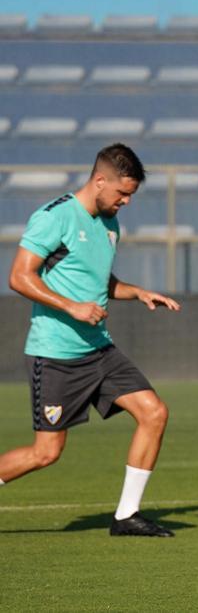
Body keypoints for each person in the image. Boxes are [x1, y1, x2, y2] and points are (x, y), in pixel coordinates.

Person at [0, 144, 180, 537]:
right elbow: (19, 276)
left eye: (131, 194)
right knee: (46, 453)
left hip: (99, 350)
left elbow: (97, 280)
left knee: (154, 413)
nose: (126, 201)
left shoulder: (110, 224)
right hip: (56, 354)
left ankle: (126, 516)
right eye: (122, 193)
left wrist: (138, 292)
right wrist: (72, 307)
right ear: (99, 181)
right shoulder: (54, 217)